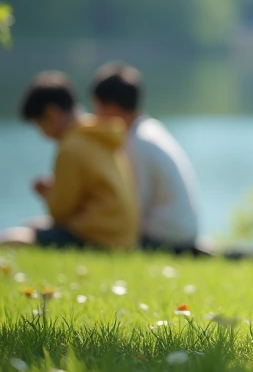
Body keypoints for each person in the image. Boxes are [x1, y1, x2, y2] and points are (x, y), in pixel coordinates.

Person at [0, 71, 139, 250]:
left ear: (52, 114)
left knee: (11, 238)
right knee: (32, 225)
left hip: (98, 239)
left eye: (40, 125)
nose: (42, 133)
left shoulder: (71, 148)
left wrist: (48, 193)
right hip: (122, 238)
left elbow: (60, 211)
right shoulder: (98, 135)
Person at [90, 62, 202, 254]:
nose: (95, 116)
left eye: (98, 108)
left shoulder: (138, 143)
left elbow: (133, 208)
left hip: (165, 240)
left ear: (111, 107)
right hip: (182, 234)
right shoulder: (149, 130)